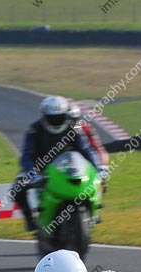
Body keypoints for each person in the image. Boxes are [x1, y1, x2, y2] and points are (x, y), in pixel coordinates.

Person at [14, 95, 104, 232]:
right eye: (52, 117)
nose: (56, 121)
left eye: (60, 117)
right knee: (17, 188)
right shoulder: (34, 130)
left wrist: (98, 169)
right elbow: (26, 156)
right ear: (44, 116)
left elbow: (85, 149)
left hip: (67, 166)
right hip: (39, 168)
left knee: (100, 180)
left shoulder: (73, 129)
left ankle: (94, 212)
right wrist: (33, 175)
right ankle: (30, 219)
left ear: (65, 115)